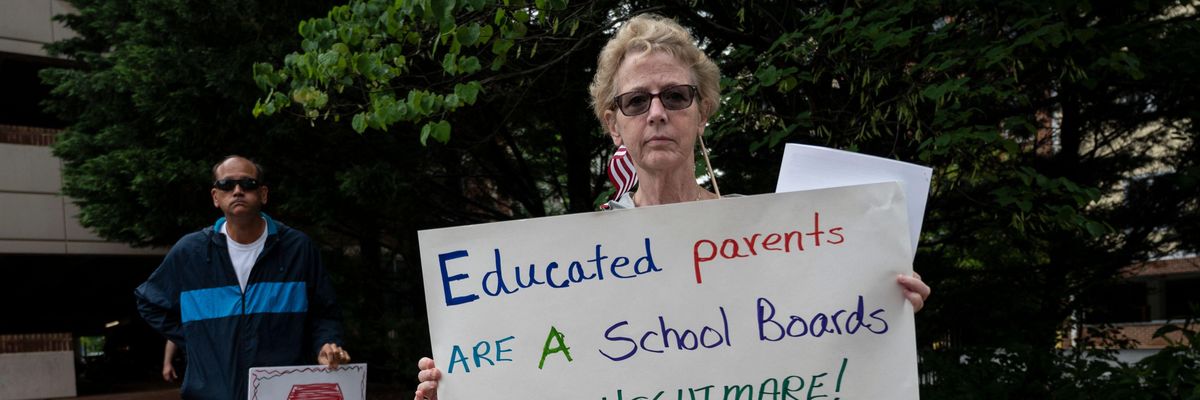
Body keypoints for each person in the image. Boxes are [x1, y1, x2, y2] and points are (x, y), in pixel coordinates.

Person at [413, 14, 931, 400]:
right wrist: (462, 385)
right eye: (636, 101)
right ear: (614, 124)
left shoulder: (770, 238)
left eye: (675, 97)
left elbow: (822, 344)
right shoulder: (571, 263)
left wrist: (884, 304)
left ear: (702, 111)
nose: (656, 113)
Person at [136, 155, 351, 399]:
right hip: (211, 393)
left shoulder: (297, 248)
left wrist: (325, 343)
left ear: (263, 194)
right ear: (216, 197)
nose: (237, 191)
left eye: (247, 184)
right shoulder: (191, 252)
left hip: (282, 391)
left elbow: (325, 312)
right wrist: (200, 341)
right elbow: (149, 302)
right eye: (227, 185)